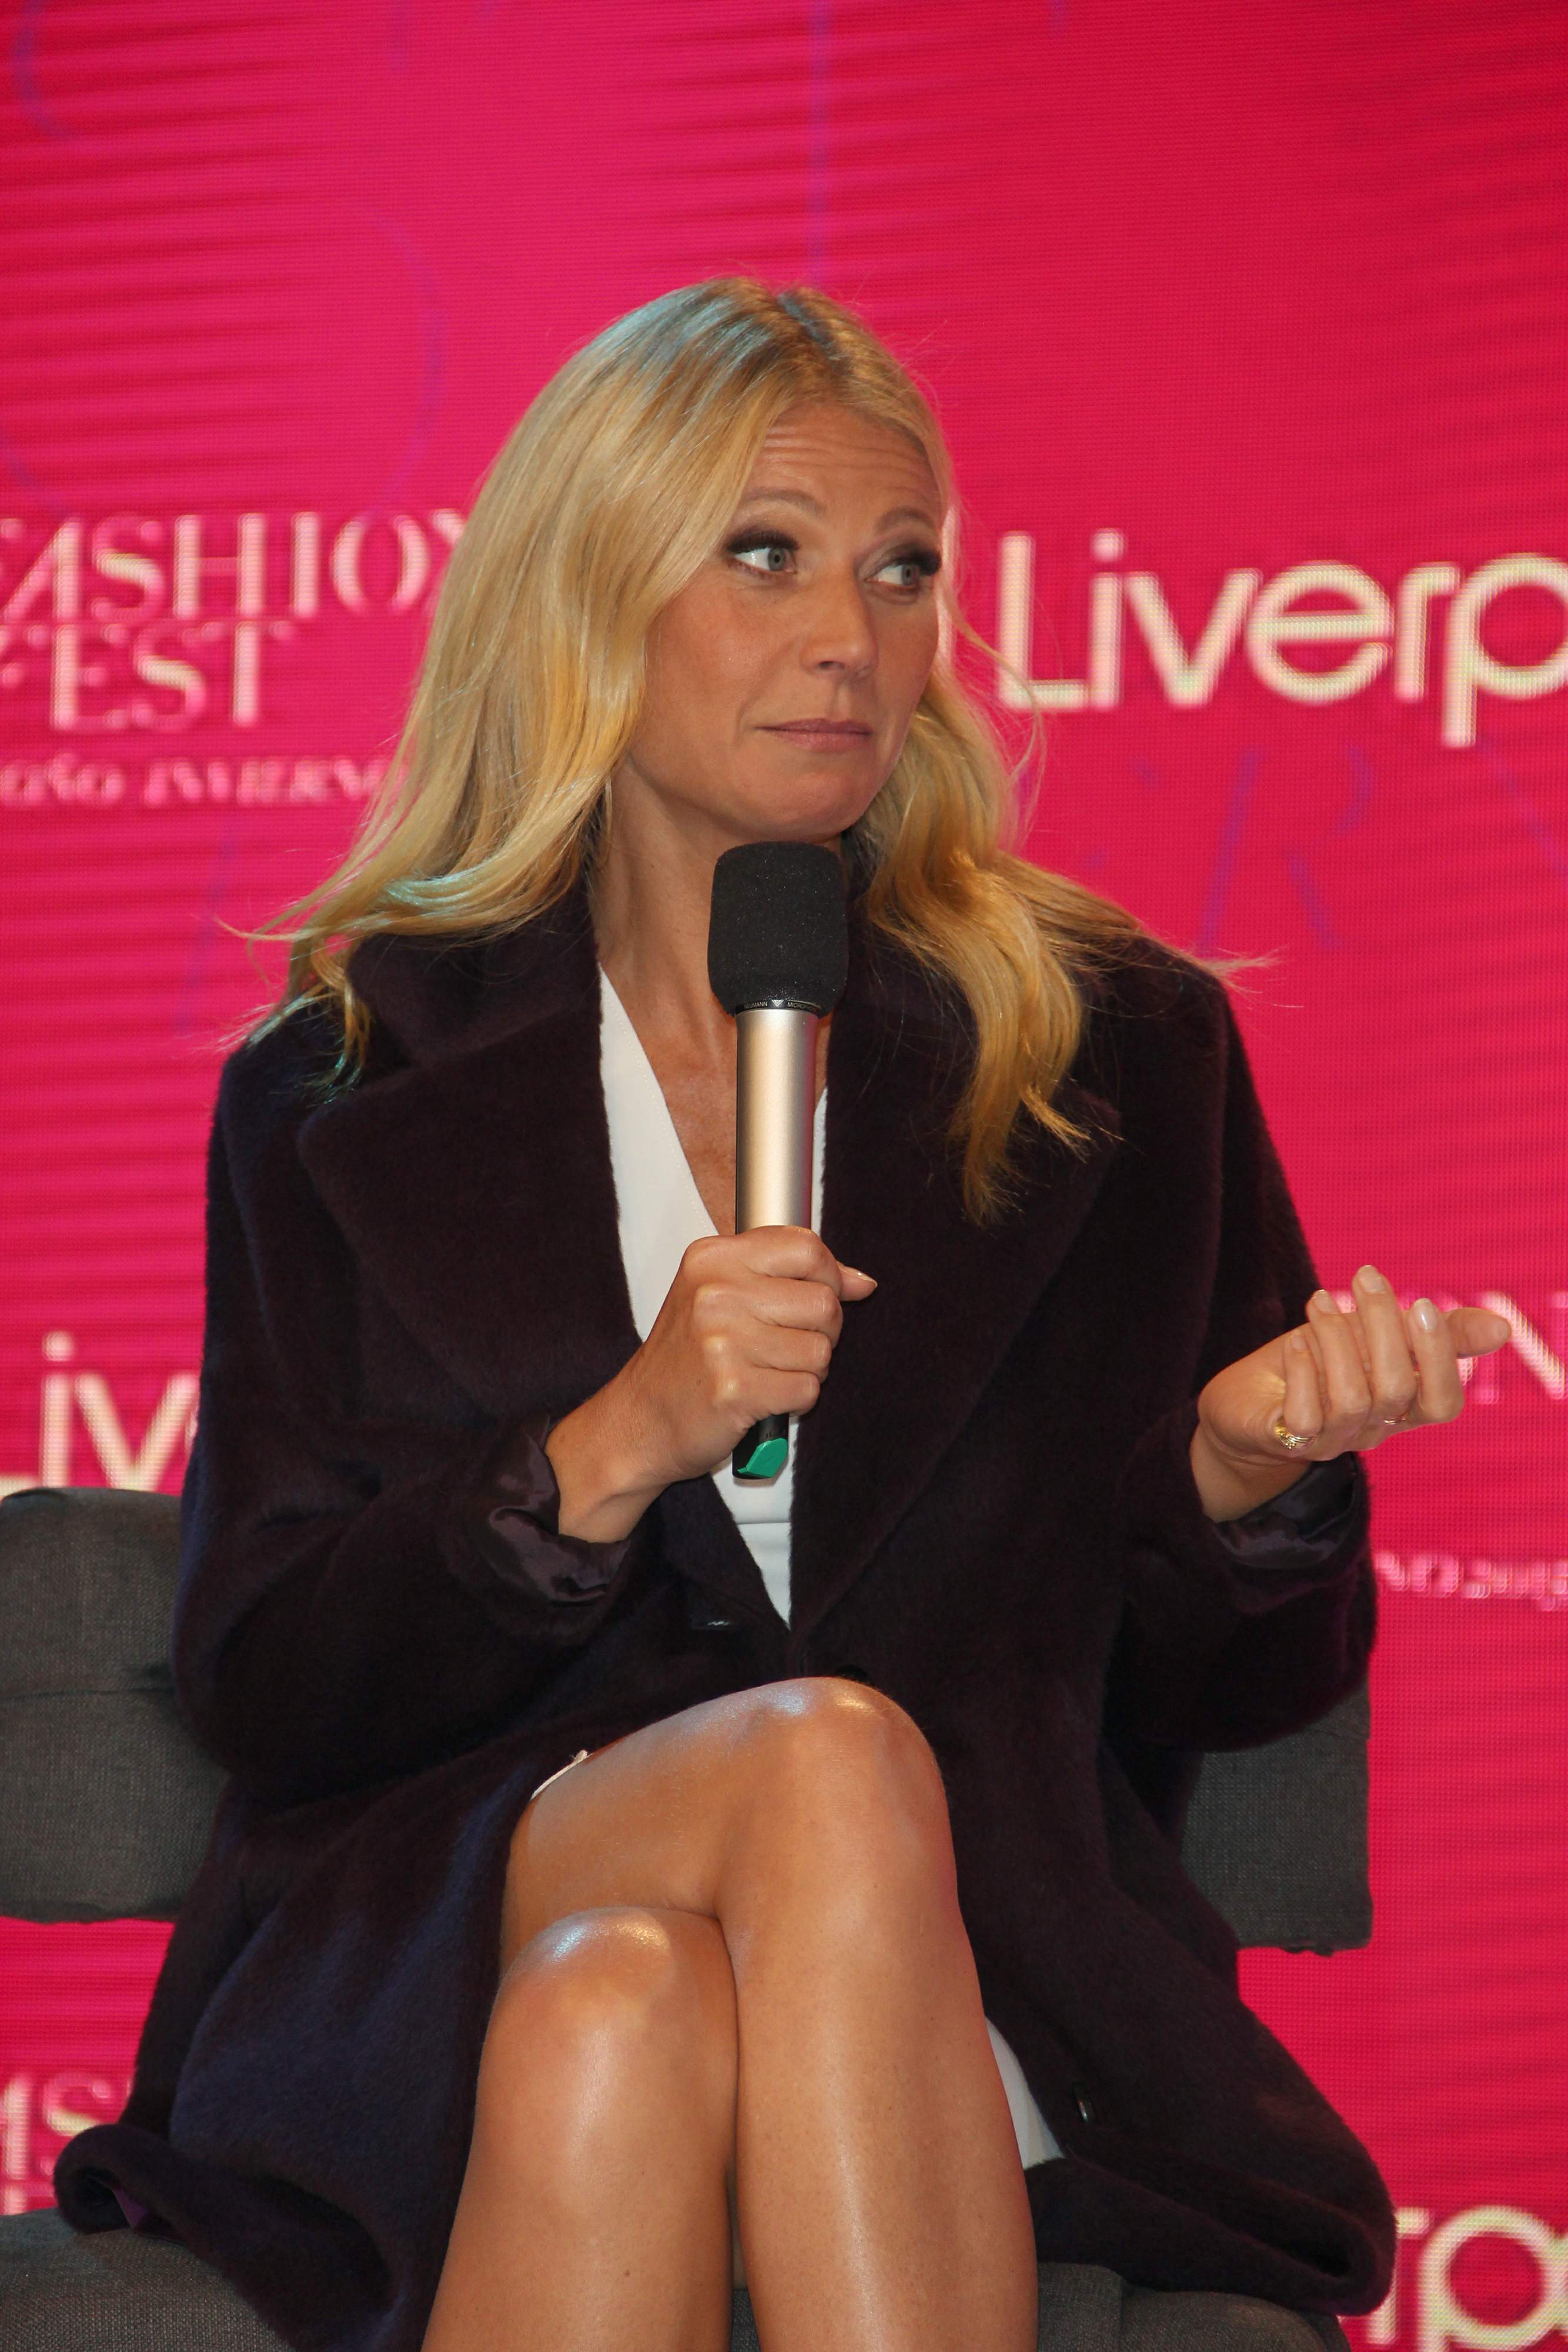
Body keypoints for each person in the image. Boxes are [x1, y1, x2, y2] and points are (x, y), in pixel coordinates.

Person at [56, 278, 1509, 2352]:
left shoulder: (1112, 1050)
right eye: (766, 553)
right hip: (437, 1922)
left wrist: (1235, 1480)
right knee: (813, 1767)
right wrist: (603, 1449)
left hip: (942, 1966)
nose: (853, 636)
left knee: (626, 2012)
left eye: (902, 568)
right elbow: (269, 1675)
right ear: (589, 594)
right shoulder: (344, 1080)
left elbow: (1232, 1688)